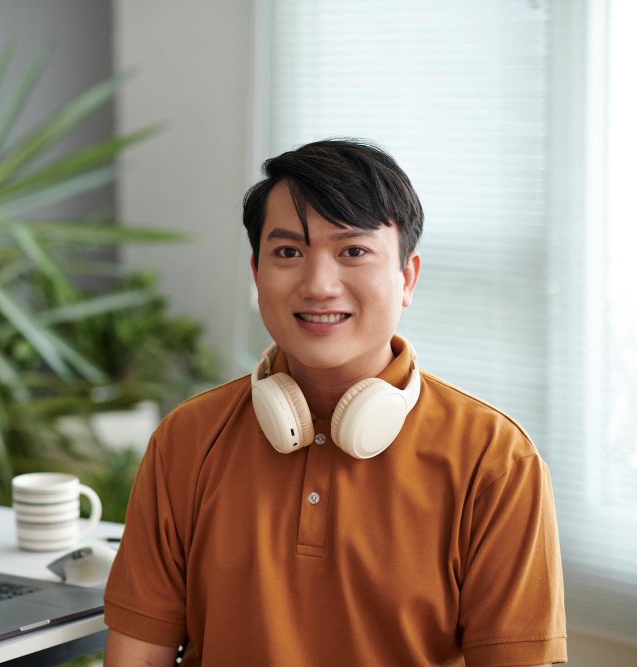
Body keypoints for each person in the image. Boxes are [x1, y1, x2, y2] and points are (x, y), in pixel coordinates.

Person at [102, 139, 567, 666]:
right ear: (257, 275)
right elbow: (138, 656)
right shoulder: (186, 439)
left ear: (407, 277)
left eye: (353, 251)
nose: (319, 285)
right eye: (289, 253)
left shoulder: (495, 459)